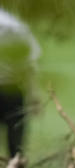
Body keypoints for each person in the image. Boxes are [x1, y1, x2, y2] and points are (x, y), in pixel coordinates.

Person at [0, 9, 40, 159]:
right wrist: (33, 94)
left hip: (12, 89)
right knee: (15, 143)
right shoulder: (16, 25)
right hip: (13, 90)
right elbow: (29, 64)